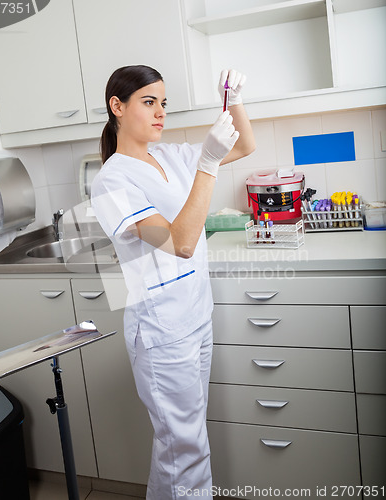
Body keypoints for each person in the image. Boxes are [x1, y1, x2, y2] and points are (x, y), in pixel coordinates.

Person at [91, 65, 255, 499]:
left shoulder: (169, 156)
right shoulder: (112, 180)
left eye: (163, 103)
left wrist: (232, 98)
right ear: (118, 107)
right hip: (163, 333)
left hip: (197, 317)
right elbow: (179, 242)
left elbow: (246, 144)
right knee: (187, 450)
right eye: (149, 102)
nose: (161, 112)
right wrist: (207, 162)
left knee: (179, 443)